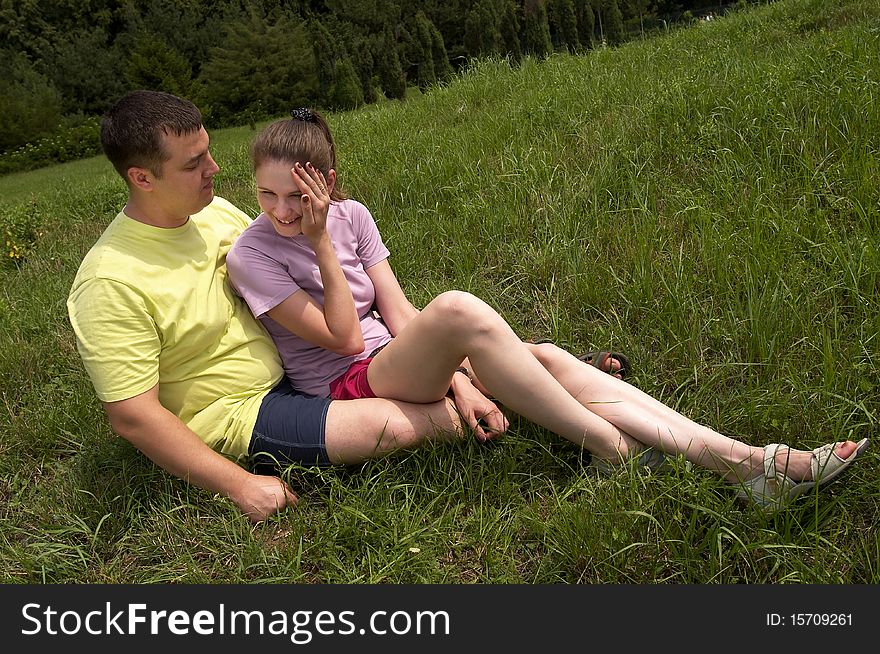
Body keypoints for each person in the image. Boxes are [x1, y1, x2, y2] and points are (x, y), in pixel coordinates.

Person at [65, 91, 866, 526]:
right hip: (255, 413)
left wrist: (462, 376)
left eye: (210, 155)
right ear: (143, 178)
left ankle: (745, 462)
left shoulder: (213, 213)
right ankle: (629, 449)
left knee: (533, 368)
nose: (215, 173)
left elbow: (379, 298)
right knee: (512, 365)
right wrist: (240, 487)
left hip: (360, 361)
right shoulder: (111, 281)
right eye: (195, 162)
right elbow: (133, 416)